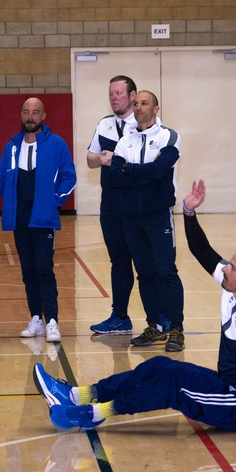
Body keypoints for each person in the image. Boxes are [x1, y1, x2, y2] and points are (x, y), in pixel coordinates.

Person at [33, 180, 236, 434]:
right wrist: (189, 212)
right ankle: (75, 394)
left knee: (170, 386)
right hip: (224, 385)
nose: (225, 267)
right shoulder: (233, 286)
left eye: (232, 267)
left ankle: (90, 415)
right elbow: (202, 250)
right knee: (159, 365)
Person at [0, 97, 76, 343]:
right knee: (28, 271)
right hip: (19, 218)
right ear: (21, 115)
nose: (30, 116)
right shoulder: (12, 147)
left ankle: (52, 322)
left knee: (44, 270)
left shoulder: (56, 144)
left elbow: (69, 177)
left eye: (35, 112)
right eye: (26, 112)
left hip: (44, 217)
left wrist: (55, 200)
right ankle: (36, 318)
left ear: (43, 116)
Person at [109, 90, 186, 352]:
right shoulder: (124, 141)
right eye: (136, 103)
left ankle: (176, 329)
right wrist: (136, 172)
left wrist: (128, 169)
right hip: (130, 218)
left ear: (156, 108)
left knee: (166, 271)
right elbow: (114, 178)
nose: (139, 107)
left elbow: (158, 170)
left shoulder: (169, 137)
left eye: (144, 103)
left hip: (158, 215)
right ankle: (155, 325)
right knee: (145, 274)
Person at [87, 75, 139, 335]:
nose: (114, 98)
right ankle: (120, 316)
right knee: (119, 261)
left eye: (119, 93)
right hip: (110, 205)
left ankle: (160, 317)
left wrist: (117, 158)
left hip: (137, 204)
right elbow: (89, 159)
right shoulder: (104, 125)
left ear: (132, 96)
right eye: (111, 94)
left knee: (145, 262)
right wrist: (102, 159)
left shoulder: (144, 125)